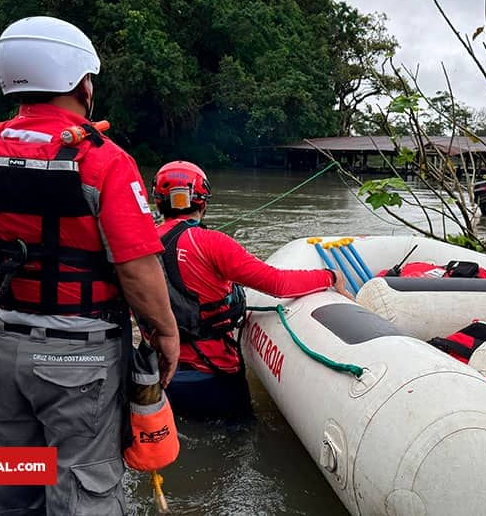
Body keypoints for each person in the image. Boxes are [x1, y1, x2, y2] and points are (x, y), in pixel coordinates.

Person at [0, 16, 179, 515]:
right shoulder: (103, 160)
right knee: (84, 487)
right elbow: (137, 268)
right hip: (79, 358)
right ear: (82, 82)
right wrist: (164, 333)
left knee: (11, 481)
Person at [149, 160, 353, 418]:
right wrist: (330, 276)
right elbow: (276, 283)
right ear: (203, 202)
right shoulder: (212, 243)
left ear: (157, 202)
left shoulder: (140, 246)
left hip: (157, 376)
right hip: (214, 375)